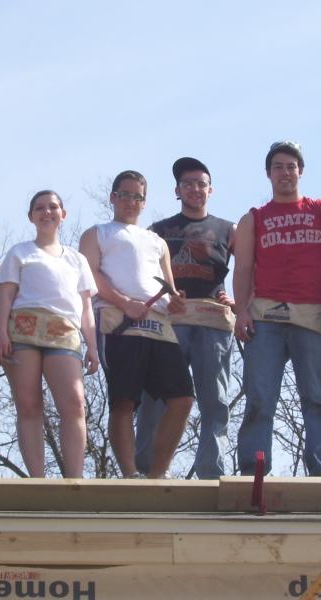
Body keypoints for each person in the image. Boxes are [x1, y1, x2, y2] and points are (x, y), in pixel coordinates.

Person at [233, 141, 321, 476]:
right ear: (268, 173)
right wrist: (241, 310)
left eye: (291, 166)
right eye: (278, 166)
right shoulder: (254, 218)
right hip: (265, 317)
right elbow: (242, 269)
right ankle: (254, 471)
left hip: (312, 314)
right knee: (259, 397)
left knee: (316, 397)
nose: (285, 172)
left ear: (300, 171)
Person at [79, 170, 194, 479]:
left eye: (138, 196)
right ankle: (130, 474)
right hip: (119, 322)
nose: (131, 201)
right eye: (126, 195)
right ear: (113, 197)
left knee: (182, 398)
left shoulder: (157, 242)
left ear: (145, 202)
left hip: (159, 324)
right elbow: (88, 276)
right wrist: (122, 301)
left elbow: (169, 291)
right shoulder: (97, 233)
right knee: (124, 400)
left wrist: (176, 303)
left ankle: (157, 475)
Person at [135, 157, 235, 479]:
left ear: (211, 189)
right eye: (188, 184)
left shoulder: (227, 229)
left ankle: (211, 472)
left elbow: (251, 268)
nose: (195, 189)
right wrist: (164, 299)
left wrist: (239, 300)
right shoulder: (158, 231)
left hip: (211, 320)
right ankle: (148, 471)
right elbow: (143, 275)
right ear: (177, 191)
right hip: (169, 322)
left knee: (214, 399)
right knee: (156, 398)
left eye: (201, 184)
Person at [0, 190, 98, 478]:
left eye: (53, 207)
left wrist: (93, 347)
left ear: (63, 214)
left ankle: (75, 479)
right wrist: (1, 332)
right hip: (24, 330)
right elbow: (6, 295)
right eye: (39, 207)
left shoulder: (77, 260)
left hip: (64, 332)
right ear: (31, 216)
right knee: (28, 404)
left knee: (75, 403)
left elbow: (86, 308)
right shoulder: (19, 252)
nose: (46, 212)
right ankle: (37, 480)